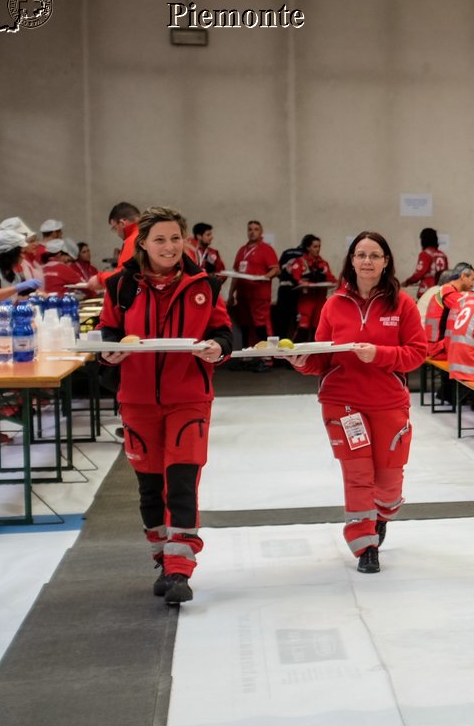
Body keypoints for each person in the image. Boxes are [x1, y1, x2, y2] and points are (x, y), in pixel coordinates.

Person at [96, 206, 231, 606]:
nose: (170, 247)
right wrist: (111, 354)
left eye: (176, 238)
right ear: (142, 244)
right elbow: (109, 333)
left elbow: (222, 331)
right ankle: (161, 556)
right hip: (137, 401)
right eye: (160, 239)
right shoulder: (120, 286)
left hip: (189, 399)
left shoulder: (204, 283)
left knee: (183, 483)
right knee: (150, 488)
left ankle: (180, 568)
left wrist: (217, 348)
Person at [287, 232, 427, 575]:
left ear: (385, 262)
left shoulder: (402, 304)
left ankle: (381, 514)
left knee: (389, 482)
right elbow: (323, 357)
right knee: (358, 473)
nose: (367, 261)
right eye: (360, 255)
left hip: (388, 401)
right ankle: (365, 544)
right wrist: (302, 361)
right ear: (351, 260)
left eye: (374, 255)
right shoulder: (334, 304)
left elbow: (417, 353)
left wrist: (378, 354)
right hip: (342, 401)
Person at [229, 220, 279, 369]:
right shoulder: (242, 250)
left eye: (256, 229)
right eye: (250, 229)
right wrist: (231, 294)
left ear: (261, 232)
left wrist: (265, 277)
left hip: (259, 294)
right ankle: (247, 356)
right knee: (245, 326)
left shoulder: (266, 249)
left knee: (261, 326)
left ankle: (268, 357)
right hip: (243, 295)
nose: (252, 232)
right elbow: (236, 274)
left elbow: (275, 269)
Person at [286, 235, 336, 342]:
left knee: (318, 331)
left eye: (319, 247)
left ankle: (316, 358)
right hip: (306, 300)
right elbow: (296, 278)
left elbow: (331, 278)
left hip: (321, 300)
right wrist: (302, 281)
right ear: (308, 247)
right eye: (315, 246)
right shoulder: (300, 262)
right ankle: (295, 357)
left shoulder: (323, 263)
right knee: (302, 330)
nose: (317, 249)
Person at [0, 219, 38, 302]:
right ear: (11, 254)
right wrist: (18, 287)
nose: (23, 257)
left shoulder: (14, 275)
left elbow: (29, 292)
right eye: (21, 253)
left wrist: (45, 296)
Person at [402, 227, 449, 297]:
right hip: (441, 290)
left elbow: (419, 274)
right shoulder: (442, 254)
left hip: (427, 289)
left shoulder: (425, 254)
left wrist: (407, 282)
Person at [106, 202, 141, 277]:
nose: (117, 233)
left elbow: (121, 277)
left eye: (115, 228)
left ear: (122, 223)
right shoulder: (150, 232)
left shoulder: (133, 240)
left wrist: (99, 278)